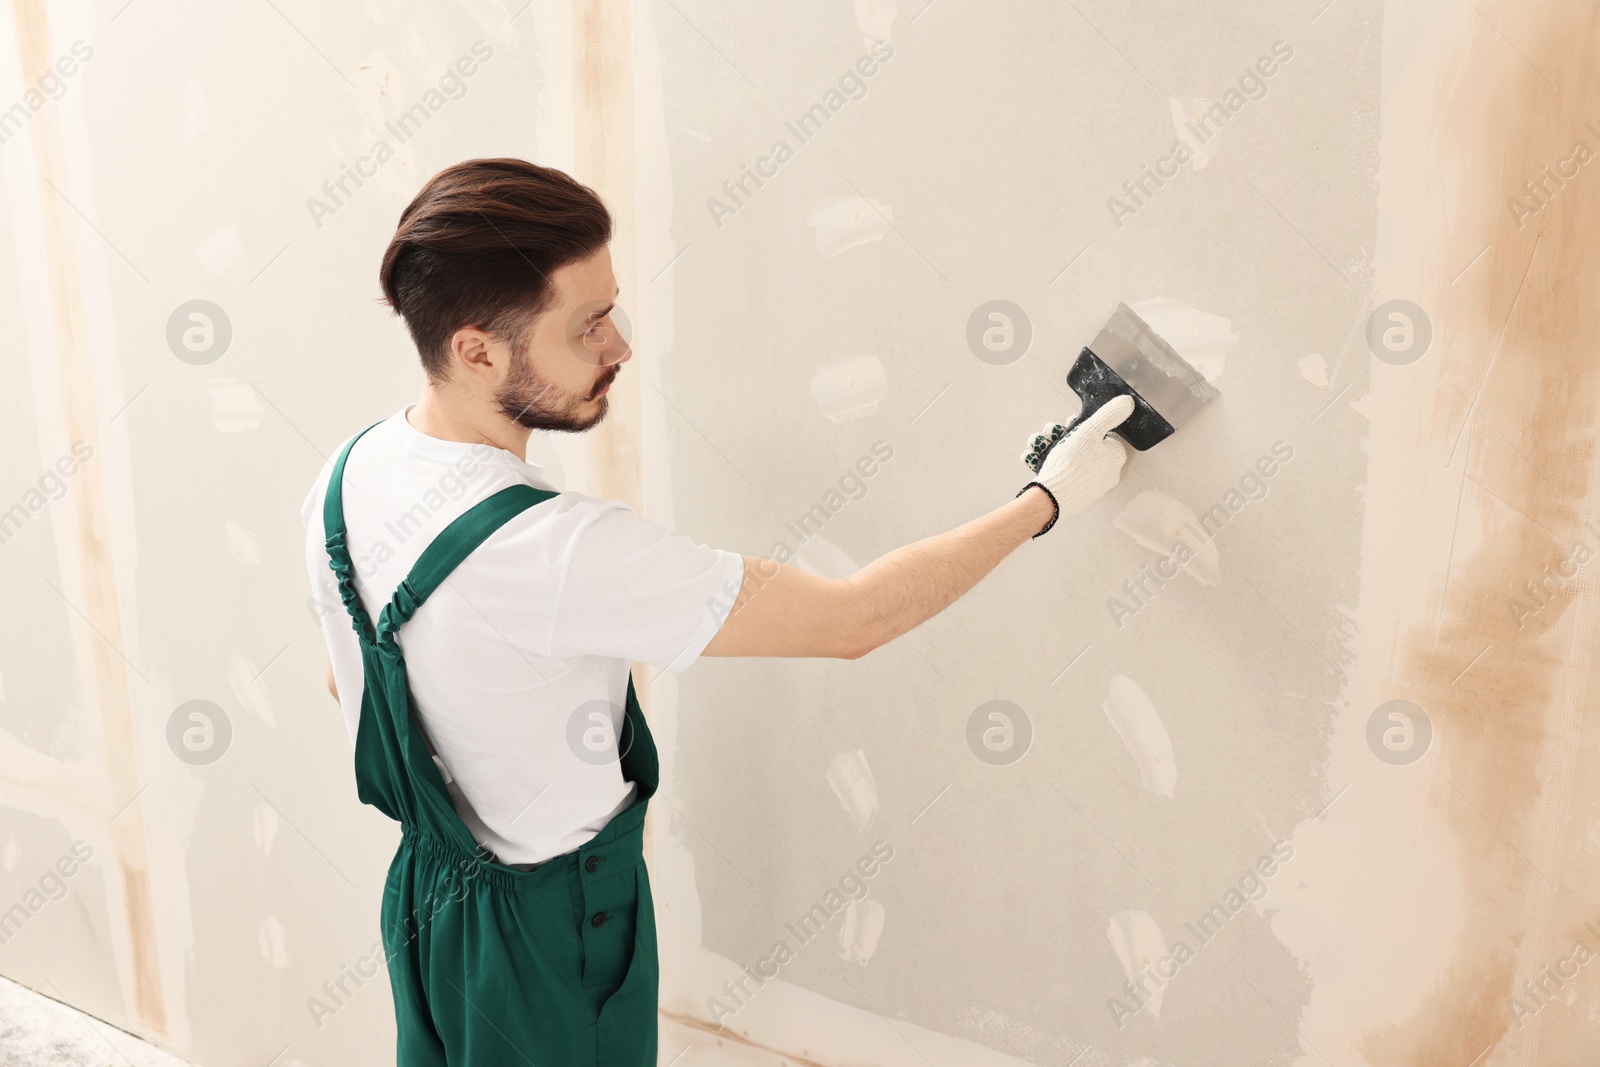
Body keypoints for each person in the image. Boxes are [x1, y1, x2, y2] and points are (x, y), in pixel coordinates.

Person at [301, 157, 1133, 1066]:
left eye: (612, 307)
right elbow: (852, 619)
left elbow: (352, 686)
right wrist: (1042, 502)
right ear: (475, 350)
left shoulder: (351, 475)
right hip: (554, 927)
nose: (619, 344)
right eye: (587, 326)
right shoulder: (558, 550)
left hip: (428, 900)